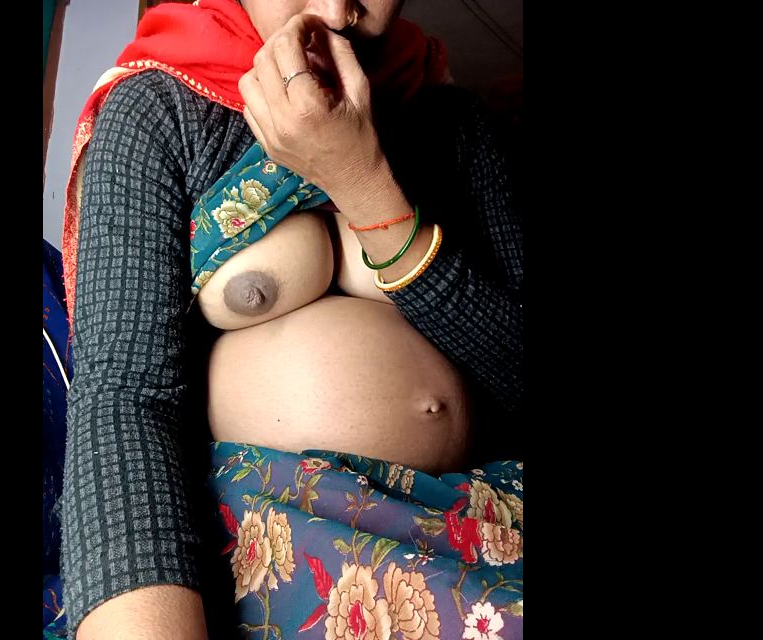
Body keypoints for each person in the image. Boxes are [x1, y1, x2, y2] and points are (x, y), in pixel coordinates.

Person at [60, 1, 522, 638]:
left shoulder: (452, 123)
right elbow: (125, 398)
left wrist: (363, 183)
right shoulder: (159, 110)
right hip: (279, 547)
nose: (336, 10)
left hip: (487, 518)